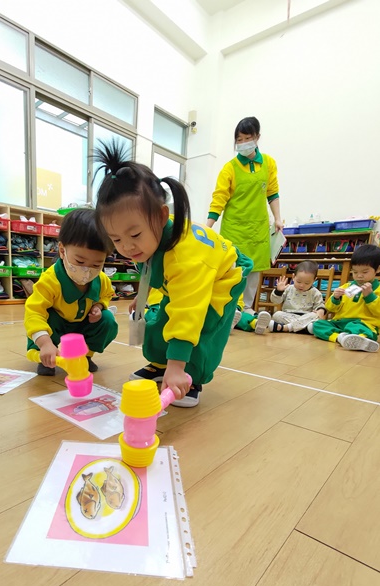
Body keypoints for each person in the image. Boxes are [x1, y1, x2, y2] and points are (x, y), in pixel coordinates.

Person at [94, 140, 252, 408]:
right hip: (183, 278)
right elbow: (150, 267)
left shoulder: (184, 258)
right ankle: (160, 364)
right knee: (161, 317)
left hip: (222, 276)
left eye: (134, 235)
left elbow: (188, 313)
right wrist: (143, 295)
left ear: (161, 216)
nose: (127, 247)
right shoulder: (149, 241)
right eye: (116, 239)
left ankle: (190, 376)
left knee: (199, 326)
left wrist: (177, 367)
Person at [25, 208, 118, 375]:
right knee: (46, 318)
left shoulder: (102, 280)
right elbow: (34, 312)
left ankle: (84, 356)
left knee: (107, 320)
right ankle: (46, 357)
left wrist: (99, 306)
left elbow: (106, 294)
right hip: (56, 324)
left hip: (82, 323)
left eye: (96, 264)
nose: (87, 270)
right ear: (62, 251)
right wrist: (45, 343)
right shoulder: (50, 280)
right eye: (80, 261)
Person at [206, 116, 283, 313]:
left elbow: (272, 193)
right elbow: (219, 198)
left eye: (247, 138)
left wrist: (278, 218)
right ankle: (232, 308)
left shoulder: (268, 163)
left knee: (254, 270)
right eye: (239, 140)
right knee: (234, 269)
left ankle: (246, 308)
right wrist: (208, 227)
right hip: (235, 228)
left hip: (258, 227)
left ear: (257, 137)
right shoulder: (229, 168)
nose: (243, 143)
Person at [311, 244, 380, 352]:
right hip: (340, 323)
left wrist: (370, 296)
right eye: (355, 272)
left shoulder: (378, 289)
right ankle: (341, 338)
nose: (359, 276)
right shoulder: (346, 287)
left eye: (364, 272)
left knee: (358, 328)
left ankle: (360, 337)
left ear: (378, 269)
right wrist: (336, 298)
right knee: (318, 324)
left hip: (364, 324)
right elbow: (330, 308)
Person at [256, 261, 326, 333]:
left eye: (307, 283)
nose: (301, 285)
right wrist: (278, 291)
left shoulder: (315, 293)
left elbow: (320, 305)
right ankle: (304, 329)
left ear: (314, 280)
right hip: (289, 315)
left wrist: (320, 310)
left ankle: (285, 328)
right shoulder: (288, 288)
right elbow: (275, 301)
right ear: (293, 277)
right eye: (298, 282)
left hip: (305, 316)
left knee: (315, 316)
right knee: (277, 314)